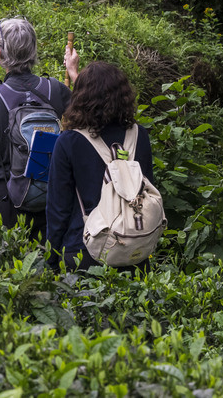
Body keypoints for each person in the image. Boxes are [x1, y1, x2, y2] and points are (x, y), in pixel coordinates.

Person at [44, 54, 154, 270]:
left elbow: (58, 210)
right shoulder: (139, 135)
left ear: (80, 99)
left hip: (84, 251)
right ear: (124, 96)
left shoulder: (69, 141)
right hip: (134, 250)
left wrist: (52, 260)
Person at [0, 17, 70, 237]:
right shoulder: (56, 89)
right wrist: (73, 73)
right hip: (54, 200)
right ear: (33, 50)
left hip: (9, 203)